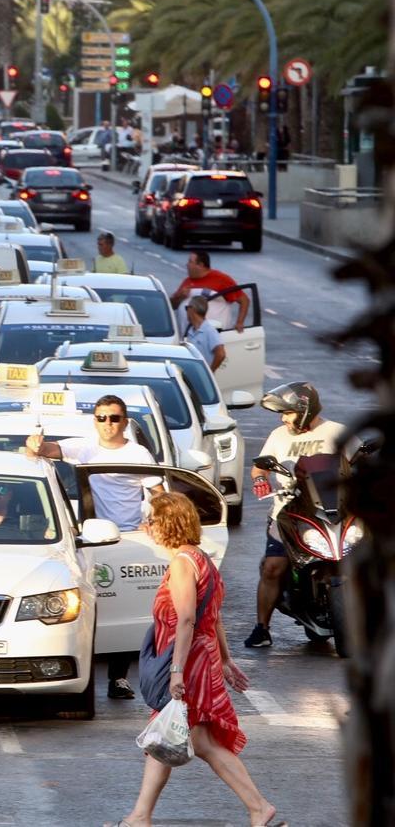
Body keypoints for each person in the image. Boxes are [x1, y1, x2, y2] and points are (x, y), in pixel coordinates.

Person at [107, 492, 275, 827]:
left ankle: (258, 807)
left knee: (194, 740)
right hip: (203, 657)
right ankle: (141, 815)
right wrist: (225, 660)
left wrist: (177, 671)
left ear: (167, 523)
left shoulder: (183, 564)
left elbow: (187, 619)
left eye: (152, 520)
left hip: (191, 660)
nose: (147, 526)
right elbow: (214, 617)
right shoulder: (202, 560)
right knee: (169, 734)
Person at [27, 394, 156, 700]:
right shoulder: (85, 447)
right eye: (102, 418)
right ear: (94, 421)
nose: (108, 424)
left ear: (124, 422)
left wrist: (153, 521)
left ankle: (119, 678)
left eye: (114, 418)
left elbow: (160, 493)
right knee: (87, 606)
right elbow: (47, 450)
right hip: (90, 539)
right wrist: (34, 443)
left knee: (123, 605)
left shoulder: (139, 454)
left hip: (127, 540)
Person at [244, 382, 355, 648]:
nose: (283, 418)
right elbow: (260, 467)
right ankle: (262, 628)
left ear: (304, 409)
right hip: (290, 510)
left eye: (288, 412)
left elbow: (360, 460)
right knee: (273, 567)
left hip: (333, 509)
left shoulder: (337, 432)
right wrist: (260, 479)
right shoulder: (278, 436)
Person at [169, 251, 250, 333]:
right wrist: (179, 296)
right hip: (188, 335)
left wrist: (239, 322)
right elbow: (171, 306)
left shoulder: (221, 279)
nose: (187, 264)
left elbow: (244, 300)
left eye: (190, 262)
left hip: (216, 333)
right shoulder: (187, 282)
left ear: (200, 265)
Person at [183, 295, 226, 372]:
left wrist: (210, 372)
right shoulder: (191, 331)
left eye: (186, 308)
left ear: (192, 309)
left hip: (202, 377)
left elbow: (221, 354)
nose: (186, 311)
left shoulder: (209, 330)